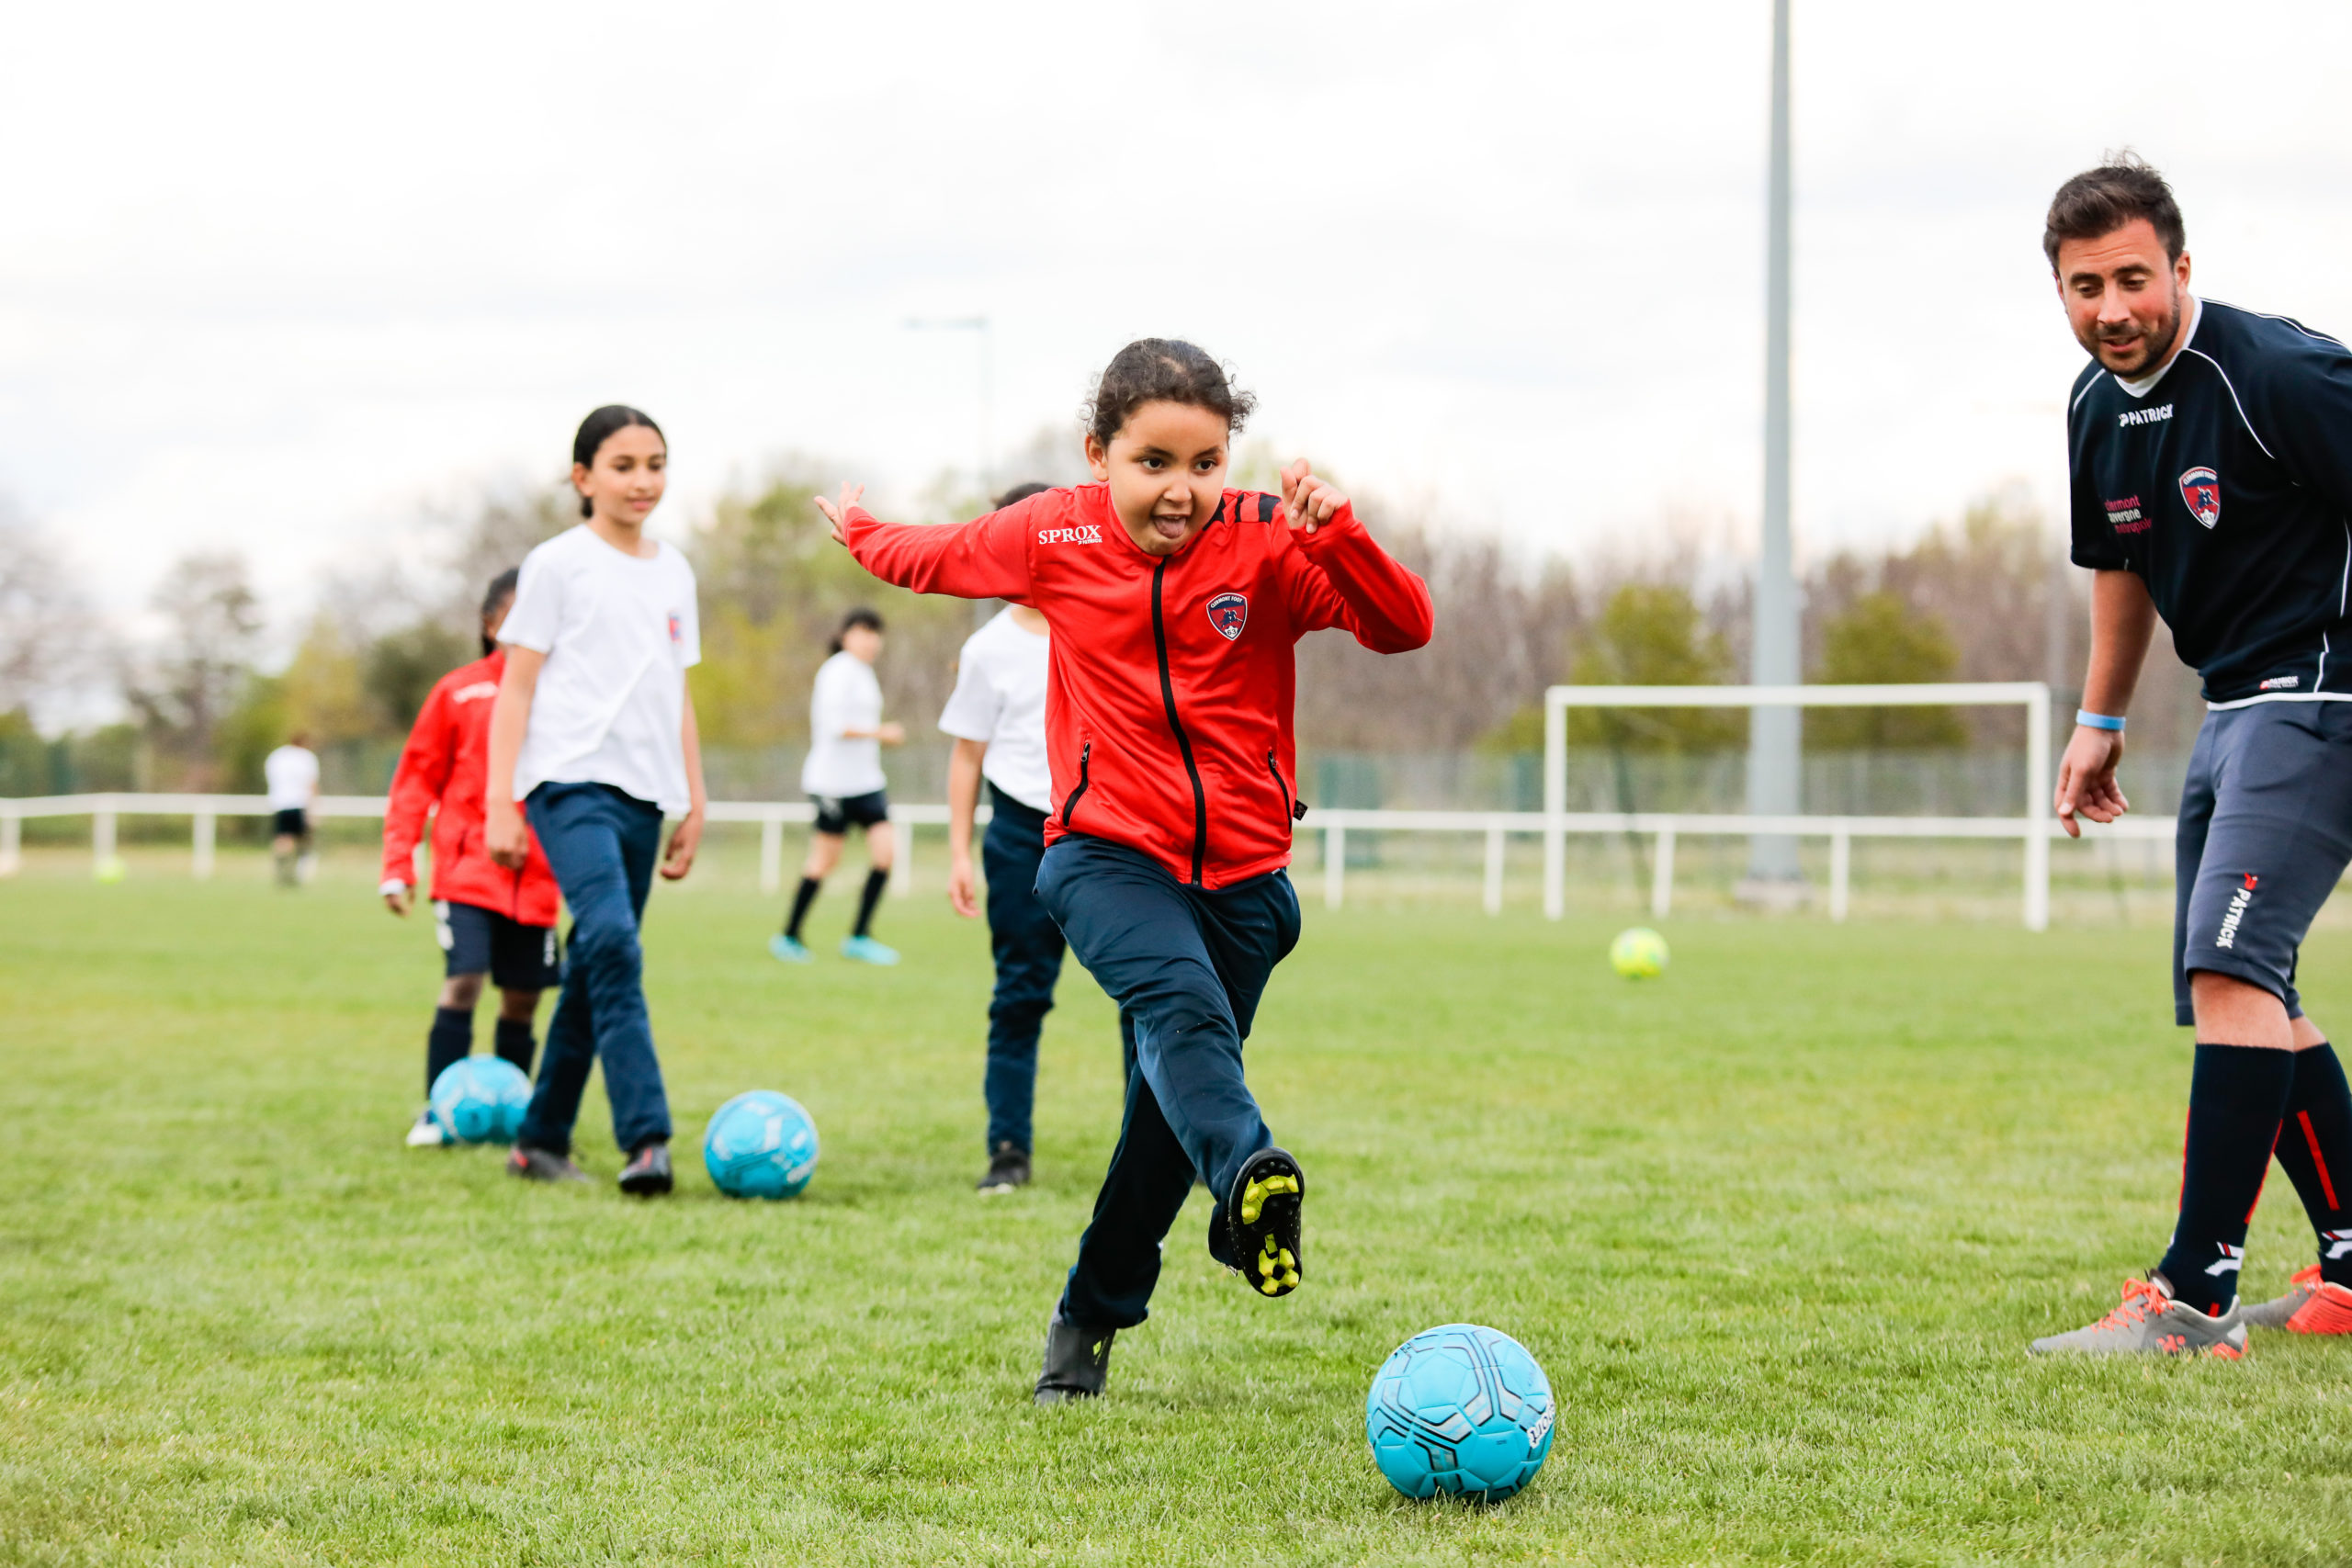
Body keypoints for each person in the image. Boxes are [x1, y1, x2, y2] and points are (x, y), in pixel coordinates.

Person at [818, 338, 1433, 1402]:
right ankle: (1248, 1171)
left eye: (1205, 463)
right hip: (1102, 854)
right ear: (1098, 452)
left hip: (1244, 880)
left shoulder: (1268, 544)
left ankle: (1087, 1320)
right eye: (1153, 462)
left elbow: (1402, 627)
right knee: (1185, 1023)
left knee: (1161, 1119)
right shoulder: (1050, 530)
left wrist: (1344, 538)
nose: (1181, 490)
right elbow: (934, 555)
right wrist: (861, 528)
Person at [2032, 156, 2352, 1355]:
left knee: (2232, 972)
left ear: (2180, 267)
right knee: (2250, 990)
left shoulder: (2278, 371)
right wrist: (2101, 721)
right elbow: (2119, 566)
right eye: (2082, 286)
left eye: (2131, 278)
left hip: (2323, 695)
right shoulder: (2090, 407)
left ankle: (2193, 1294)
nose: (2111, 307)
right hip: (2231, 708)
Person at [484, 404, 708, 1197]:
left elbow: (675, 689)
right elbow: (516, 689)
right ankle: (647, 1137)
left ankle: (538, 1138)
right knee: (611, 940)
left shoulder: (676, 569)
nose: (642, 480)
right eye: (623, 465)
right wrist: (501, 803)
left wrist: (694, 795)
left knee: (593, 963)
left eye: (655, 463)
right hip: (566, 782)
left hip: (646, 794)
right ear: (584, 478)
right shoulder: (556, 564)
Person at [380, 569, 563, 1147]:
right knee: (464, 980)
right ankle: (438, 1111)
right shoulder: (458, 692)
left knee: (523, 999)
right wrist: (397, 864)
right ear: (491, 625)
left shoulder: (563, 696)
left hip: (538, 880)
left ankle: (519, 1118)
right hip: (467, 874)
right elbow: (415, 781)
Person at [940, 482, 1064, 1194]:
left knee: (1148, 1000)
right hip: (1020, 834)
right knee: (1019, 995)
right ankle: (1008, 1150)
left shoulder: (1116, 622)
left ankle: (1160, 1150)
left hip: (1112, 833)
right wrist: (960, 850)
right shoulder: (986, 649)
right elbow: (967, 756)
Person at [773, 607, 905, 966]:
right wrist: (883, 733)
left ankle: (859, 936)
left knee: (885, 853)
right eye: (864, 631)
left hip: (866, 782)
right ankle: (789, 935)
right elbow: (835, 726)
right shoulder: (836, 671)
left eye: (877, 632)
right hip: (832, 783)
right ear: (846, 634)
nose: (872, 639)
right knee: (824, 861)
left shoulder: (865, 673)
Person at [263, 731, 319, 886]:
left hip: (279, 803)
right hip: (299, 803)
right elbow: (311, 784)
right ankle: (297, 872)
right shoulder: (306, 757)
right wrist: (314, 809)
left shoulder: (276, 756)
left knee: (282, 838)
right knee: (303, 839)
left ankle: (281, 872)